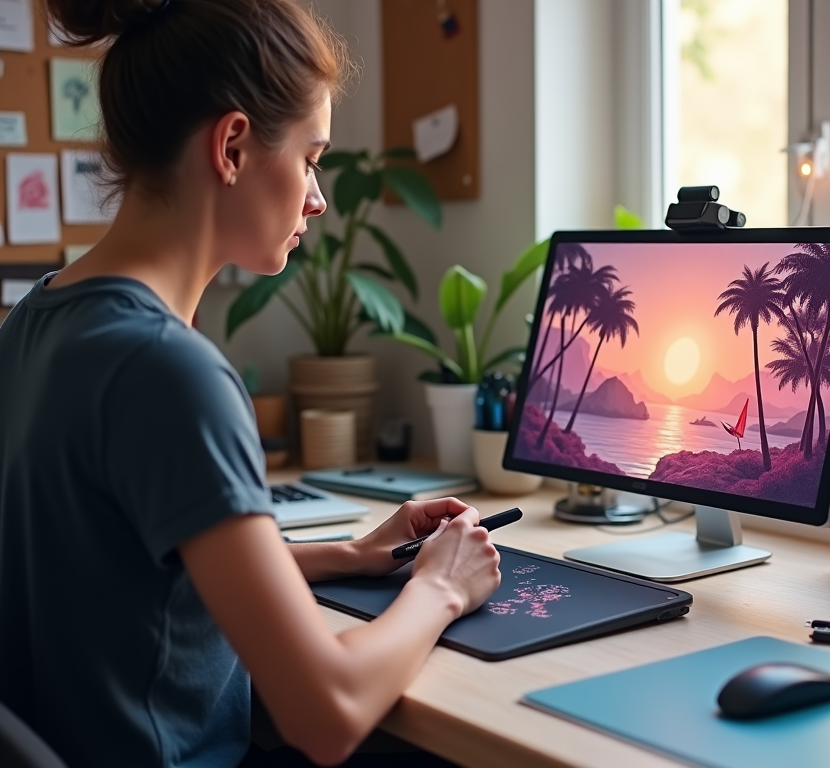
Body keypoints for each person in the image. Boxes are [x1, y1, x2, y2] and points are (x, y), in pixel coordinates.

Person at [0, 1, 501, 766]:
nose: (318, 196)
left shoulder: (36, 321)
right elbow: (326, 713)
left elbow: (116, 571)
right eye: (310, 157)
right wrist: (443, 586)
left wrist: (347, 553)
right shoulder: (168, 370)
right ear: (232, 145)